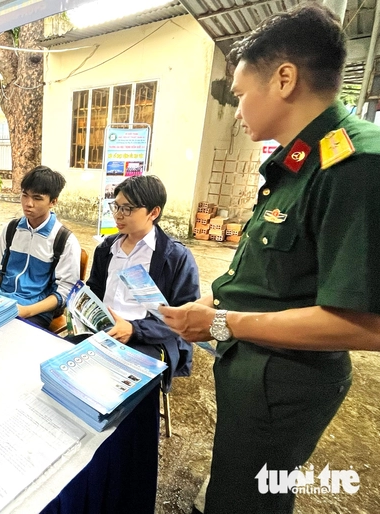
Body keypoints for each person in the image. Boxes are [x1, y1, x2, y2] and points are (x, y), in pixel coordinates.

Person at [158, 5, 380, 513]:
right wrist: (209, 305)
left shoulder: (355, 167)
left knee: (250, 500)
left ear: (284, 79)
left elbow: (366, 325)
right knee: (238, 484)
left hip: (284, 383)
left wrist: (221, 320)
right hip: (251, 366)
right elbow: (268, 274)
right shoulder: (297, 164)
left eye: (239, 95)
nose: (236, 109)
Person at [85, 175, 200, 390]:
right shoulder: (106, 249)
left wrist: (134, 330)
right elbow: (95, 290)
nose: (118, 215)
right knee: (68, 366)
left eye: (127, 209)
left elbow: (185, 317)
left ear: (153, 212)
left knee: (119, 386)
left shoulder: (175, 257)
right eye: (116, 207)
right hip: (104, 332)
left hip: (149, 340)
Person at [0, 166, 81, 329]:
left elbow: (64, 292)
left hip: (36, 312)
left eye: (37, 198)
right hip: (2, 301)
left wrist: (26, 311)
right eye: (25, 195)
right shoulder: (12, 229)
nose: (28, 204)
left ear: (53, 201)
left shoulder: (64, 240)